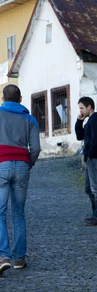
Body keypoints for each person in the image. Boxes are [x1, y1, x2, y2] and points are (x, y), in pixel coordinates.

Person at [0, 85, 40, 273]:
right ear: (20, 99)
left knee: (0, 213)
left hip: (1, 165)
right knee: (18, 213)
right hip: (22, 166)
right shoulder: (29, 119)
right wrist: (28, 163)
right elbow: (36, 148)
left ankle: (3, 256)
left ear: (3, 98)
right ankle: (19, 259)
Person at [75, 97, 97, 226]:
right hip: (91, 158)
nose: (81, 111)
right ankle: (96, 213)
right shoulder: (90, 120)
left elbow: (96, 140)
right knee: (88, 188)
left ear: (89, 107)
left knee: (96, 188)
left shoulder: (95, 120)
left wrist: (89, 155)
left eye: (82, 108)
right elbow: (80, 136)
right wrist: (79, 121)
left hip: (95, 158)